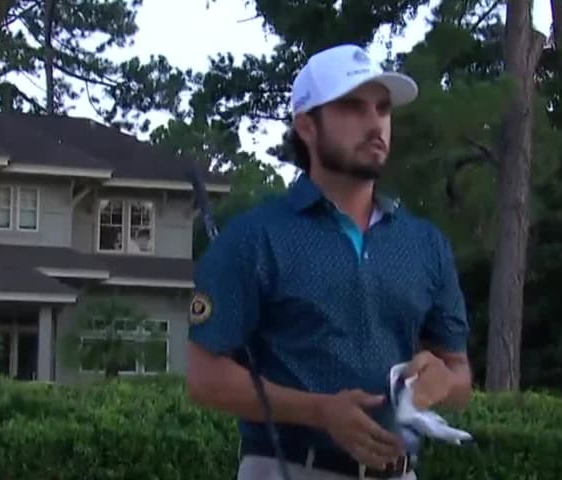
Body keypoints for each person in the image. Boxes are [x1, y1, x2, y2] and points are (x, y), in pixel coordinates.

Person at [185, 43, 473, 480]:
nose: (375, 122)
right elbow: (205, 379)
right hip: (290, 469)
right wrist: (320, 411)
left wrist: (441, 382)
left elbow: (460, 376)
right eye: (353, 107)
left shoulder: (425, 243)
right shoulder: (254, 238)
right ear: (307, 125)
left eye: (382, 108)